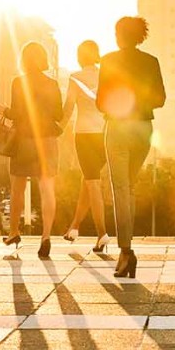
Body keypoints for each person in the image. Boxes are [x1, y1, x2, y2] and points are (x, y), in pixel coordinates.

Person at [96, 16, 165, 279]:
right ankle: (127, 247)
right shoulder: (151, 62)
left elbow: (101, 101)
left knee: (121, 190)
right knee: (131, 187)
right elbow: (160, 98)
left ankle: (126, 251)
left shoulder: (110, 60)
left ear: (119, 35)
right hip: (143, 129)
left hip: (118, 128)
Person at [0, 42, 63, 260]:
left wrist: (5, 111)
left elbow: (18, 114)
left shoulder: (18, 82)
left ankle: (14, 232)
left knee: (17, 188)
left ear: (24, 60)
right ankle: (46, 236)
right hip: (48, 140)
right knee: (47, 189)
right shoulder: (53, 83)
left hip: (23, 141)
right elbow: (59, 114)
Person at [59, 40, 110, 253]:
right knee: (88, 182)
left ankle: (102, 234)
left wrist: (58, 128)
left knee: (93, 183)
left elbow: (69, 107)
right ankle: (75, 227)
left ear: (80, 57)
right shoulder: (106, 75)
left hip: (85, 135)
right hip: (106, 135)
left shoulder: (75, 78)